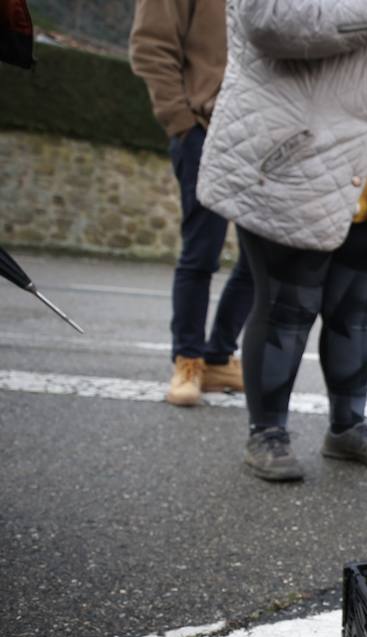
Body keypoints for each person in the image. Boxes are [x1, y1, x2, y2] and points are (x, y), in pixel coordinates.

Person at [197, 0, 367, 481]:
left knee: (355, 315)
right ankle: (267, 432)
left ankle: (347, 427)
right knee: (284, 310)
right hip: (294, 169)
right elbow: (268, 23)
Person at [130, 0, 255, 407]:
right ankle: (188, 358)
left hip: (263, 137)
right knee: (201, 254)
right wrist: (181, 123)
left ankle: (218, 356)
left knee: (262, 260)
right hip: (204, 128)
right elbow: (151, 46)